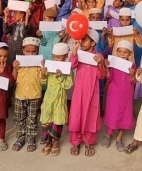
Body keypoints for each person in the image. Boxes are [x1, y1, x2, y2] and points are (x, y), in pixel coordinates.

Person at [68, 29, 107, 157]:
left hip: (92, 93)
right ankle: (76, 141)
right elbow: (71, 65)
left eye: (85, 40)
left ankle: (89, 142)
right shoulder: (79, 54)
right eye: (81, 39)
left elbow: (101, 76)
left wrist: (100, 64)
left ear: (93, 43)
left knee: (90, 114)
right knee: (76, 114)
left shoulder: (98, 57)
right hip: (78, 91)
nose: (82, 42)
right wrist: (74, 50)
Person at [39, 42, 73, 156]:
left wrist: (61, 77)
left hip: (59, 99)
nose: (56, 59)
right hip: (48, 99)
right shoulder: (50, 67)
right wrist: (43, 74)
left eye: (58, 57)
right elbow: (43, 82)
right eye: (54, 56)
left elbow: (68, 85)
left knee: (57, 121)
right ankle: (47, 142)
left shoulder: (68, 70)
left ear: (65, 57)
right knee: (46, 119)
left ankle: (55, 142)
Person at [102, 40, 136, 151]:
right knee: (113, 113)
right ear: (116, 52)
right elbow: (109, 78)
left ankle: (119, 138)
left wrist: (132, 74)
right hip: (114, 93)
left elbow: (134, 81)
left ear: (130, 54)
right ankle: (108, 134)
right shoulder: (113, 63)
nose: (122, 54)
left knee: (124, 115)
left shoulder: (132, 66)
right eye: (120, 52)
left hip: (126, 95)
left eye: (125, 52)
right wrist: (107, 68)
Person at [11, 37, 43, 152]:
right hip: (20, 95)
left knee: (32, 118)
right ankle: (20, 138)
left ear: (38, 51)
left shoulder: (39, 64)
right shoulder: (19, 63)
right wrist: (15, 67)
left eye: (34, 51)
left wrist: (43, 69)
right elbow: (14, 78)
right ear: (23, 50)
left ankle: (31, 138)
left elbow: (43, 80)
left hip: (34, 95)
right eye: (27, 51)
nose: (30, 54)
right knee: (19, 118)